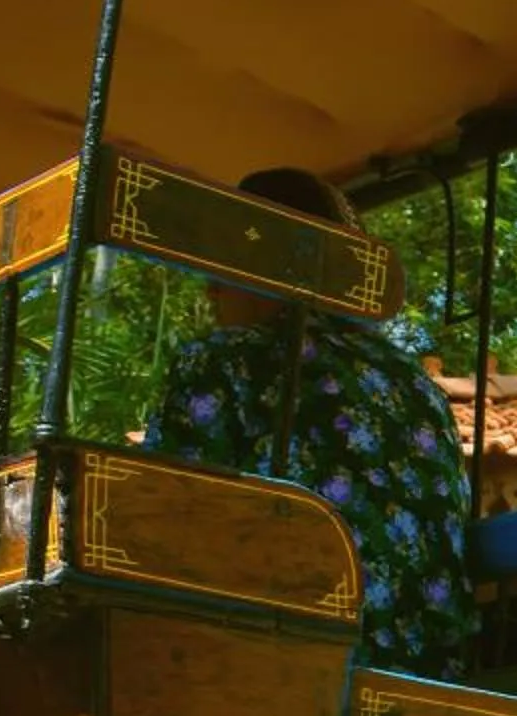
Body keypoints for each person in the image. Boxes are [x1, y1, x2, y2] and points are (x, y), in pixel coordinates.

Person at [146, 167, 478, 679]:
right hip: (433, 680)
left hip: (295, 674)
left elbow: (161, 528)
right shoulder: (416, 384)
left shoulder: (226, 361)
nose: (210, 290)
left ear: (264, 268)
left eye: (221, 266)